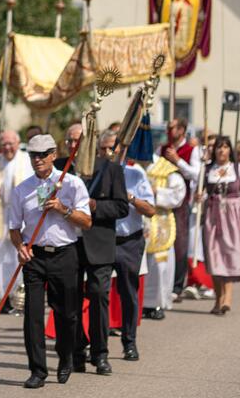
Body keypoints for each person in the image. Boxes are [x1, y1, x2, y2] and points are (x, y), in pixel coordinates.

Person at [8, 134, 92, 389]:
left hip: (65, 254)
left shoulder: (72, 183)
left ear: (54, 155)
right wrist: (20, 247)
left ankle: (66, 357)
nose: (38, 160)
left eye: (43, 154)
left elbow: (87, 222)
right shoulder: (22, 189)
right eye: (33, 155)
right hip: (35, 255)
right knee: (32, 316)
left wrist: (63, 209)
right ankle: (37, 371)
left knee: (66, 314)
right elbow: (14, 227)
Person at [71, 130, 128, 376]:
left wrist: (95, 205)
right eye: (72, 141)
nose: (75, 145)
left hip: (100, 242)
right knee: (68, 299)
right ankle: (76, 350)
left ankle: (100, 353)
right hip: (69, 243)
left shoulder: (111, 169)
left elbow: (121, 206)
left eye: (79, 141)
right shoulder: (64, 167)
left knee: (98, 295)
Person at [200, 136, 240, 315]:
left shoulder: (238, 169)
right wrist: (199, 197)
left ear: (230, 150)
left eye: (225, 147)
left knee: (229, 254)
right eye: (218, 147)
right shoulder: (207, 170)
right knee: (214, 257)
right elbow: (200, 193)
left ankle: (227, 297)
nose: (222, 150)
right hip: (213, 216)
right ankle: (217, 298)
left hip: (233, 215)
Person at [0, 131, 34, 312]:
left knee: (19, 256)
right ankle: (4, 298)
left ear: (18, 143)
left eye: (10, 143)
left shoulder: (27, 160)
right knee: (2, 259)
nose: (7, 147)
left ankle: (21, 298)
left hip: (22, 217)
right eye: (3, 144)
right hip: (1, 214)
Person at [113, 153, 154, 361]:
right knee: (97, 292)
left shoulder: (136, 174)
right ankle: (95, 345)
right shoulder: (96, 171)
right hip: (103, 240)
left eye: (114, 148)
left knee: (128, 293)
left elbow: (150, 210)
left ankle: (129, 342)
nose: (110, 153)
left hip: (130, 241)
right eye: (105, 148)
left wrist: (130, 197)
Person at [160, 118, 202, 298]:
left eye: (173, 128)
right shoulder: (162, 149)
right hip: (162, 200)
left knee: (180, 244)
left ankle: (178, 285)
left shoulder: (192, 151)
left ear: (182, 130)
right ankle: (164, 283)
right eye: (168, 128)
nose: (169, 131)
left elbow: (197, 174)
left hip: (182, 201)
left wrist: (178, 161)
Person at [142, 157, 186, 321]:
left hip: (159, 222)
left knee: (159, 266)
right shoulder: (125, 163)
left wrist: (157, 192)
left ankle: (155, 304)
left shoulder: (165, 169)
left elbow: (178, 194)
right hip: (136, 222)